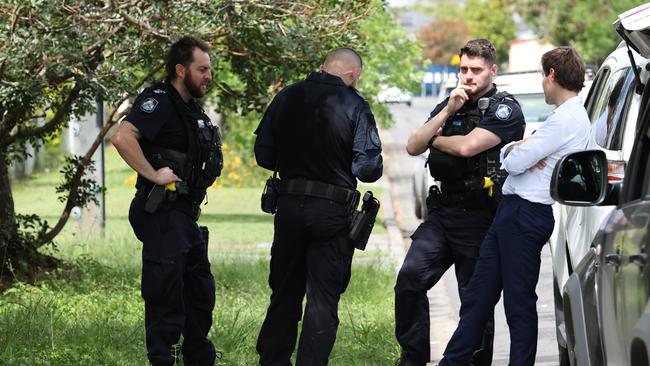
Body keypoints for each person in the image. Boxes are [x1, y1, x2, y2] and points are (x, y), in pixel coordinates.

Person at [439, 47, 593, 366]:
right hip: (512, 213)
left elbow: (515, 161)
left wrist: (514, 149)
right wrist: (520, 149)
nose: (542, 83)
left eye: (542, 75)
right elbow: (522, 157)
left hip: (526, 215)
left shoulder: (566, 118)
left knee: (518, 305)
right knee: (478, 298)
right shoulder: (568, 116)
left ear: (552, 74)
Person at [396, 39, 525, 366]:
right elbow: (413, 145)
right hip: (443, 214)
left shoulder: (503, 109)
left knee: (475, 302)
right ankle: (413, 358)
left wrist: (436, 139)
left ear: (492, 71)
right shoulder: (449, 103)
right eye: (463, 69)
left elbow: (469, 147)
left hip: (482, 216)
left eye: (476, 70)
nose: (468, 76)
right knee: (410, 279)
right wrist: (448, 111)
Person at [253, 47, 383, 366]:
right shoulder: (356, 105)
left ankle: (273, 361)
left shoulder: (286, 96)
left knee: (284, 293)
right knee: (322, 300)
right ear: (354, 75)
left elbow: (264, 155)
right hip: (332, 213)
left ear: (323, 67)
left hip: (288, 208)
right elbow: (367, 169)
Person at [111, 36, 222, 366]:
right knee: (166, 298)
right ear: (180, 69)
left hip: (185, 217)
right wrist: (154, 173)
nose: (208, 76)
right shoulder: (159, 101)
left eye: (209, 70)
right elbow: (122, 136)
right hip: (163, 213)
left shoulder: (189, 108)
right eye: (202, 69)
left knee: (199, 295)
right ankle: (162, 360)